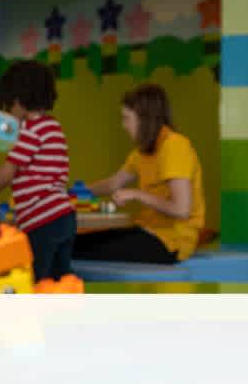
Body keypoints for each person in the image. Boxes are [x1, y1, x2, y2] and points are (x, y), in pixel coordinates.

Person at [75, 84, 204, 263]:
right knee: (72, 242)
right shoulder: (142, 151)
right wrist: (72, 193)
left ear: (144, 119)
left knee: (74, 249)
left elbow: (181, 210)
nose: (123, 125)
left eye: (127, 118)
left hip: (173, 242)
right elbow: (113, 183)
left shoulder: (175, 146)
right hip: (147, 231)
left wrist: (137, 194)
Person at [0, 60, 75, 282]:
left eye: (7, 107)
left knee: (35, 282)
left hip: (42, 221)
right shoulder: (53, 126)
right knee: (59, 281)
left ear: (17, 102)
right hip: (63, 217)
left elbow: (6, 174)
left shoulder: (29, 130)